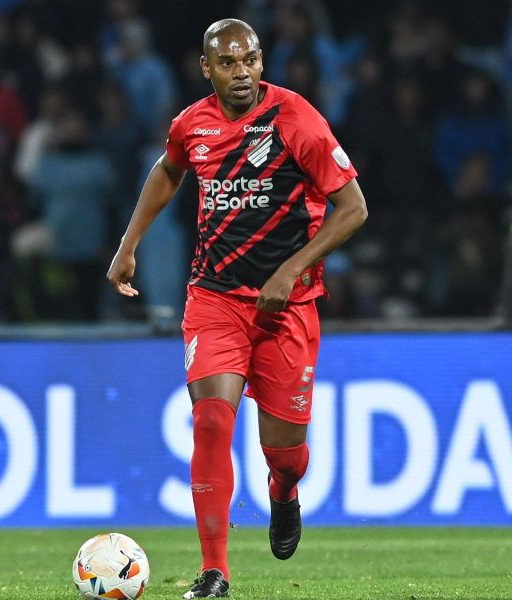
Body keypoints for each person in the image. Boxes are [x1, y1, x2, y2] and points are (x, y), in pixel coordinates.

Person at [107, 18, 367, 598]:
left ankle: (283, 491)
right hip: (215, 298)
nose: (243, 72)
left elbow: (353, 208)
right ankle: (215, 570)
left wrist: (292, 268)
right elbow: (169, 168)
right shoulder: (190, 125)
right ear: (207, 69)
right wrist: (128, 246)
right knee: (211, 420)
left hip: (287, 306)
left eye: (250, 59)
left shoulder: (295, 118)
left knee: (286, 452)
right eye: (228, 63)